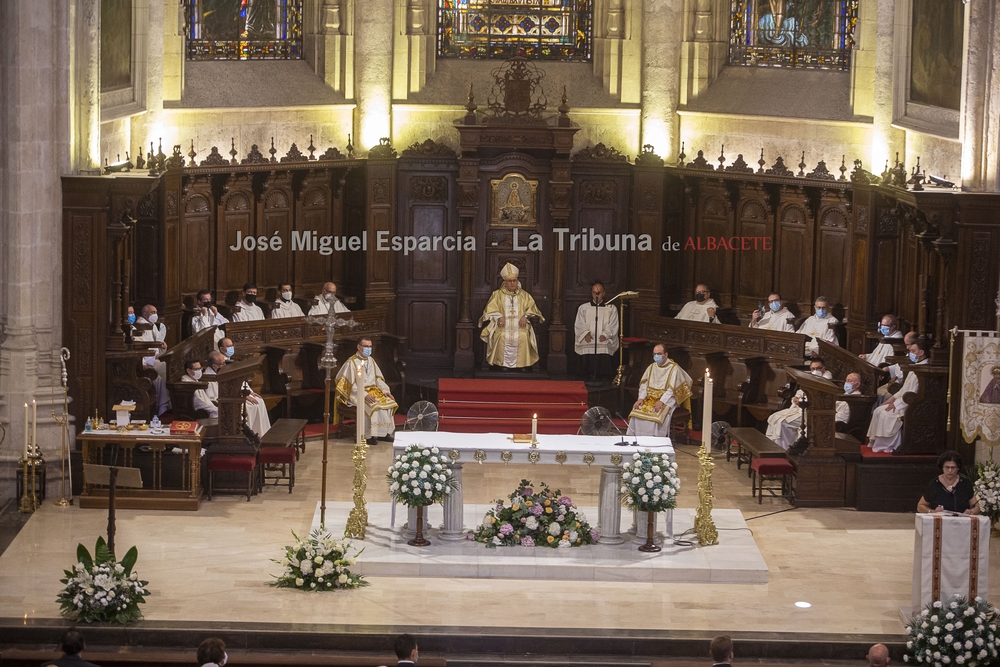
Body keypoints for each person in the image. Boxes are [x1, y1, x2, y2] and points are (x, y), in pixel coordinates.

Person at [866, 339, 930, 453]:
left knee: (886, 414)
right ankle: (875, 442)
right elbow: (904, 389)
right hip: (903, 399)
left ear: (921, 352)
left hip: (910, 404)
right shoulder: (914, 366)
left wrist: (896, 404)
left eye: (913, 350)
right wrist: (891, 399)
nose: (910, 353)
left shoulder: (923, 369)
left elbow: (912, 393)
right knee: (878, 410)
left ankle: (888, 446)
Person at [479, 262, 545, 369]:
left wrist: (526, 316)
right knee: (502, 336)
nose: (512, 283)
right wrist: (499, 316)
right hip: (502, 325)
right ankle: (502, 364)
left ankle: (523, 364)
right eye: (509, 281)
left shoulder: (524, 295)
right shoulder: (497, 295)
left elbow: (532, 308)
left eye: (514, 281)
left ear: (517, 281)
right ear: (505, 283)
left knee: (523, 336)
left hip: (520, 325)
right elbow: (490, 309)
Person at [335, 337, 398, 444]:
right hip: (356, 393)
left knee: (389, 403)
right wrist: (364, 394)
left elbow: (378, 379)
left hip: (374, 390)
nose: (369, 349)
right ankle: (368, 436)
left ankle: (383, 433)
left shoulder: (371, 360)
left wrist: (385, 391)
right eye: (366, 346)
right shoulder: (352, 363)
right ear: (359, 347)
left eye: (370, 346)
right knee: (373, 405)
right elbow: (348, 384)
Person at [627, 344, 693, 437]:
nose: (656, 356)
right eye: (654, 354)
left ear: (666, 354)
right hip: (650, 397)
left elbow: (671, 389)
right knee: (636, 411)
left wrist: (661, 401)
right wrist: (641, 398)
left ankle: (656, 439)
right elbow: (644, 385)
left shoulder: (674, 368)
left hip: (667, 399)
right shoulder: (651, 367)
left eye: (659, 354)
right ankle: (637, 438)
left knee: (656, 413)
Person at [574, 281, 619, 380]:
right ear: (591, 293)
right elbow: (579, 324)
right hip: (589, 336)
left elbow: (613, 325)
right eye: (594, 292)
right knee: (586, 343)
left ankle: (603, 375)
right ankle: (587, 374)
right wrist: (585, 334)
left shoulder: (611, 308)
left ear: (604, 293)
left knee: (604, 344)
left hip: (604, 337)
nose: (596, 295)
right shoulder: (584, 308)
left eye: (599, 292)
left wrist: (606, 335)